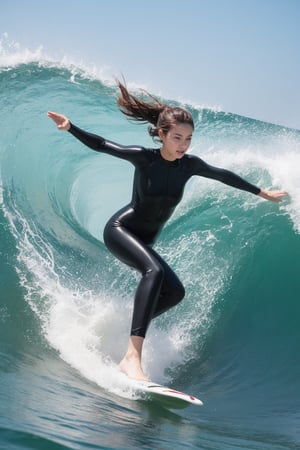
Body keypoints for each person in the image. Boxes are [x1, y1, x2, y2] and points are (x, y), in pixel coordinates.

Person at [48, 80, 288, 381]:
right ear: (161, 134)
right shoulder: (144, 158)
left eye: (188, 139)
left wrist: (260, 191)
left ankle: (131, 331)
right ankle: (132, 358)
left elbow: (223, 175)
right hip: (121, 230)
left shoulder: (189, 165)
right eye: (177, 138)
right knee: (155, 273)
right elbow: (103, 145)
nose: (183, 145)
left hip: (145, 239)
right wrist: (71, 127)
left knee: (175, 293)